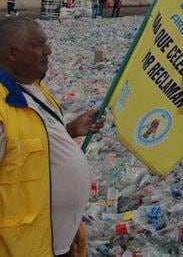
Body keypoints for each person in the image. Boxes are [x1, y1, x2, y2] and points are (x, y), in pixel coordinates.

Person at [0, 17, 106, 256]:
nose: (48, 50)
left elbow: (26, 147)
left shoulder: (34, 87)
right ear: (12, 53)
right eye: (38, 45)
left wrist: (70, 130)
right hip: (21, 247)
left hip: (56, 240)